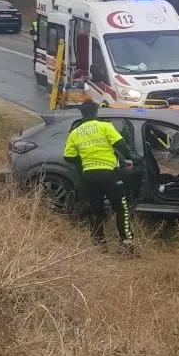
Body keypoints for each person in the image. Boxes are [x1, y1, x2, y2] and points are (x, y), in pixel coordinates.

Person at [63, 100, 138, 251]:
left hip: (89, 176)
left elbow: (68, 156)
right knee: (121, 209)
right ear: (96, 111)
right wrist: (130, 157)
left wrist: (83, 162)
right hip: (108, 173)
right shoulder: (105, 126)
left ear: (82, 112)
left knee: (95, 211)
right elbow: (120, 144)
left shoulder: (75, 132)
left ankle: (100, 246)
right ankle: (127, 245)